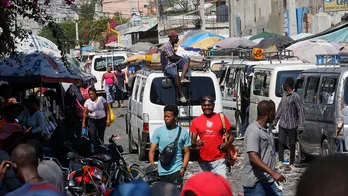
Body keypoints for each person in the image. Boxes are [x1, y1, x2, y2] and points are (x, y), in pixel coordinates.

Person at [243, 100, 285, 196]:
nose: (275, 115)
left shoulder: (267, 129)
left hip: (268, 181)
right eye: (274, 112)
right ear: (268, 113)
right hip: (255, 184)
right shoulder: (254, 130)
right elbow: (253, 156)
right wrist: (273, 173)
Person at [190, 96, 233, 178]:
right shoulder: (196, 121)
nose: (207, 107)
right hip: (203, 160)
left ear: (213, 106)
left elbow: (231, 136)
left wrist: (227, 143)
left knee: (220, 185)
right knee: (206, 187)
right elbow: (192, 142)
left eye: (209, 105)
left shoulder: (221, 118)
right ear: (201, 106)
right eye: (204, 105)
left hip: (219, 159)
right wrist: (197, 142)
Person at [149, 104, 191, 187]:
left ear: (175, 117)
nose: (166, 119)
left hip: (176, 170)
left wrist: (183, 168)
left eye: (168, 116)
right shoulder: (158, 131)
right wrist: (153, 165)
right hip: (161, 172)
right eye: (165, 116)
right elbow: (152, 151)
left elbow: (187, 152)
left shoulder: (183, 132)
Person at [273, 77, 304, 167]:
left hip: (292, 124)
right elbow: (280, 109)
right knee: (281, 142)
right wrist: (275, 120)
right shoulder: (284, 96)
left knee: (292, 144)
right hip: (283, 123)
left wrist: (301, 125)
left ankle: (292, 162)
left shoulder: (295, 96)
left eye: (284, 84)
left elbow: (300, 111)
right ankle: (281, 160)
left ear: (287, 85)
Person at [159, 30, 190, 103]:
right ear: (172, 38)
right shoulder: (167, 45)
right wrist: (180, 58)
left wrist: (182, 58)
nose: (178, 39)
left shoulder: (172, 45)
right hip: (168, 66)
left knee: (187, 60)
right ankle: (181, 94)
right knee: (175, 74)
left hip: (173, 63)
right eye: (176, 37)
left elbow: (174, 57)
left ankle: (182, 77)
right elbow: (171, 57)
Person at [237, 73, 253, 140]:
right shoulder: (250, 85)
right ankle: (243, 132)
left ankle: (243, 133)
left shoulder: (252, 85)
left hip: (250, 105)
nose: (248, 79)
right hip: (248, 104)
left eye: (250, 78)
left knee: (246, 118)